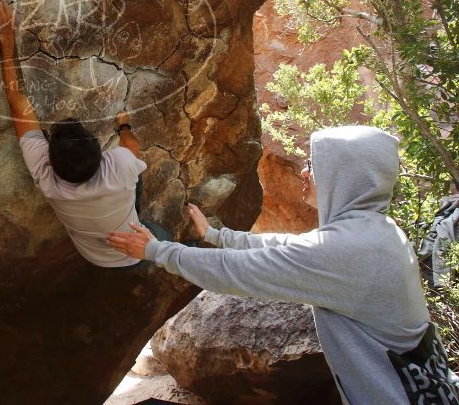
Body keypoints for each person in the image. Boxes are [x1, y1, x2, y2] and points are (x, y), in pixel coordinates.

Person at [108, 125, 459, 404]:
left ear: (345, 177)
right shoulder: (375, 230)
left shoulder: (351, 249)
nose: (304, 171)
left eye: (315, 165)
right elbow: (289, 246)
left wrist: (159, 251)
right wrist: (221, 236)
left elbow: (238, 273)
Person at [0, 0, 172, 268]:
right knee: (164, 241)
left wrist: (6, 39)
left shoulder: (46, 177)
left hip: (94, 255)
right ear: (102, 155)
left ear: (51, 160)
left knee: (133, 180)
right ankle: (181, 252)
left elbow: (17, 100)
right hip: (136, 253)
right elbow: (131, 145)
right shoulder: (120, 166)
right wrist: (124, 126)